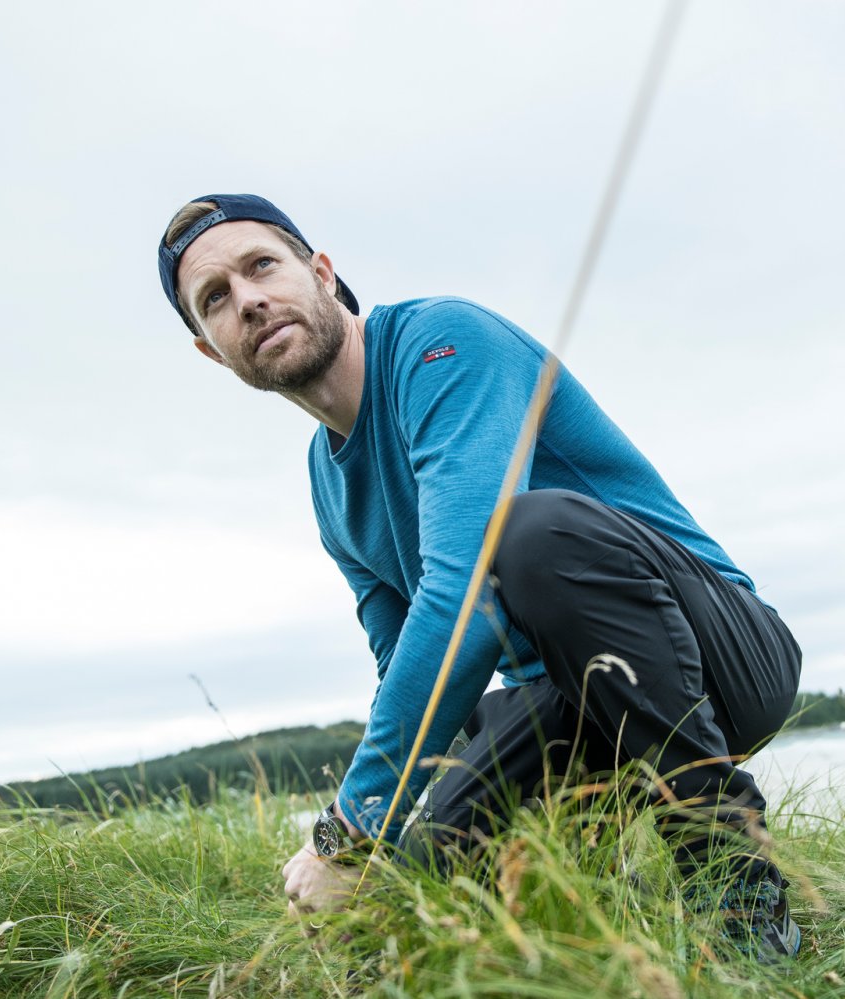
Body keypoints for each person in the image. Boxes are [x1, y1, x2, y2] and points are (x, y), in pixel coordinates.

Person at [155, 193, 803, 960]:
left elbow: (462, 598)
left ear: (322, 273)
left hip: (724, 658)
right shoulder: (326, 485)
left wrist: (351, 826)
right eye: (215, 298)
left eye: (261, 265)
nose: (248, 300)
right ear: (212, 350)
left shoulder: (443, 344)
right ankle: (602, 905)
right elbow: (405, 664)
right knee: (420, 899)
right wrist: (388, 847)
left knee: (526, 532)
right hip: (568, 705)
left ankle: (737, 893)